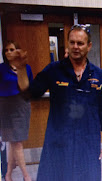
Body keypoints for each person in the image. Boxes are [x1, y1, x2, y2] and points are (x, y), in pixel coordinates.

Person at [13, 24, 102, 181]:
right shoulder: (54, 70)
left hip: (88, 142)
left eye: (80, 43)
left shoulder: (99, 75)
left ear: (89, 46)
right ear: (67, 44)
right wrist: (20, 69)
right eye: (72, 42)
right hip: (58, 142)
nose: (75, 47)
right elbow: (29, 92)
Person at [0, 40, 33, 181]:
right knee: (14, 142)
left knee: (16, 141)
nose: (8, 52)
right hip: (5, 106)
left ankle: (8, 174)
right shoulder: (1, 68)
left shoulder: (26, 68)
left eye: (12, 49)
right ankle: (26, 176)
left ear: (17, 51)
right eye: (6, 50)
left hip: (21, 105)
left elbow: (29, 86)